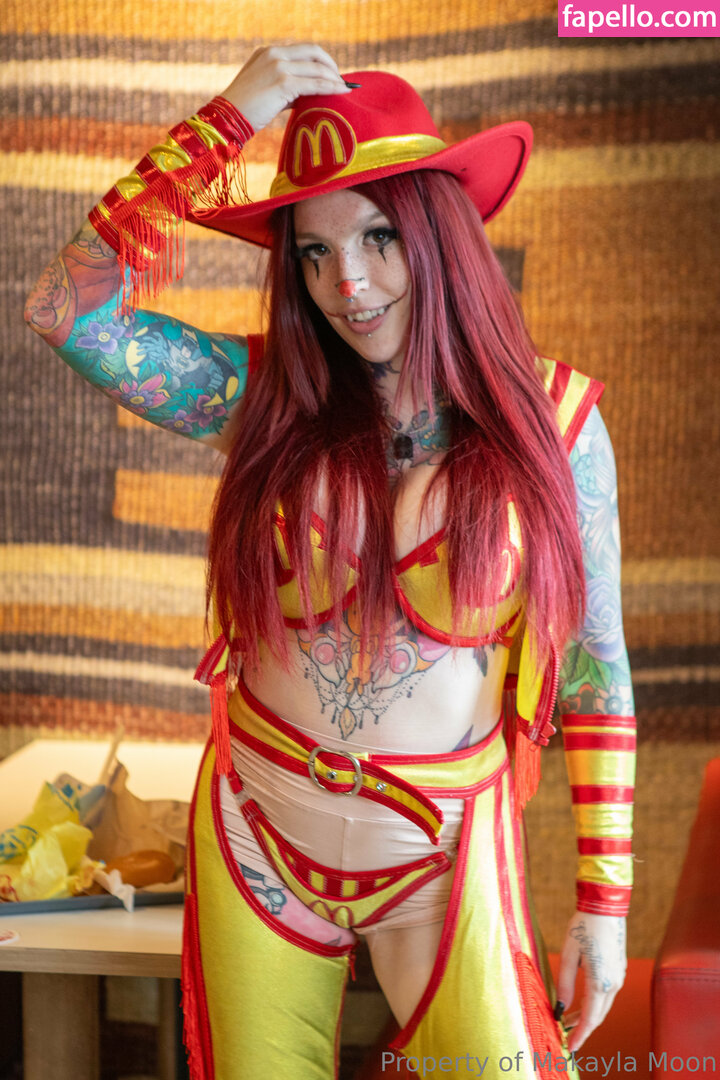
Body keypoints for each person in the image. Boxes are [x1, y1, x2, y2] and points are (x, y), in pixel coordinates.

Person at [25, 44, 636, 1080]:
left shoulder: (556, 428)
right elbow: (65, 310)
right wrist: (229, 117)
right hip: (257, 832)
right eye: (312, 253)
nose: (346, 284)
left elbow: (594, 667)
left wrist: (603, 905)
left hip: (439, 859)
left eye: (377, 237)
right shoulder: (265, 401)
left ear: (439, 236)